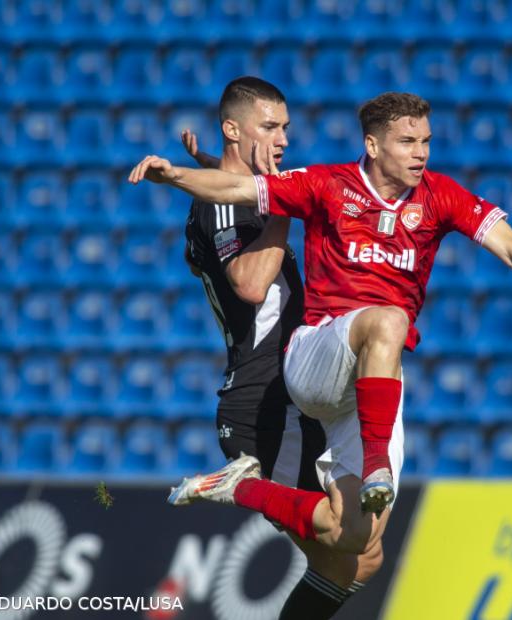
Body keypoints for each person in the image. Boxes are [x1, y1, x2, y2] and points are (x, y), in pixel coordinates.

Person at [136, 90, 512, 570]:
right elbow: (236, 188)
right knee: (389, 317)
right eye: (408, 143)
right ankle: (376, 464)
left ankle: (237, 486)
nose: (421, 154)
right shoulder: (329, 184)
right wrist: (176, 175)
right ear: (372, 146)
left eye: (426, 142)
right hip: (317, 356)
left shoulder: (441, 195)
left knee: (355, 540)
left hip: (373, 379)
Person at [174, 76, 379, 619]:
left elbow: (229, 191)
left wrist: (237, 172)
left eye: (286, 126)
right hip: (261, 402)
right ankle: (236, 487)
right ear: (233, 130)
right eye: (270, 126)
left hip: (290, 394)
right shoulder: (224, 202)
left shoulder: (238, 191)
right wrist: (285, 199)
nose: (284, 138)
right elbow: (248, 284)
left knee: (365, 555)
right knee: (342, 546)